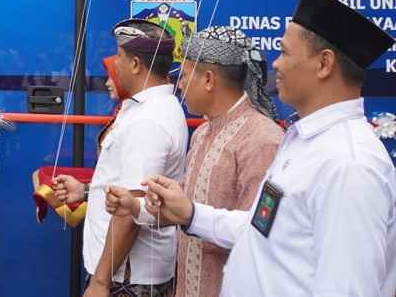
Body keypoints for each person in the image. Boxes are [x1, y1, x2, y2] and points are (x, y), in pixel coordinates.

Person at [143, 0, 396, 297]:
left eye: (285, 53)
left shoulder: (348, 164)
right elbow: (261, 229)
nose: (275, 64)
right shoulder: (302, 142)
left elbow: (347, 289)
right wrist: (192, 214)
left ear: (324, 63)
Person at [105, 26, 284, 297]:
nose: (180, 85)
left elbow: (258, 236)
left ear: (209, 79)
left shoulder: (262, 140)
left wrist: (189, 213)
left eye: (185, 75)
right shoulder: (201, 133)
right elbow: (184, 213)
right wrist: (135, 206)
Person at [54, 19, 187, 297]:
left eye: (120, 58)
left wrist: (101, 282)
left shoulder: (148, 121)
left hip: (125, 276)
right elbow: (123, 183)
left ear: (136, 64)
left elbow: (131, 209)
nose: (116, 65)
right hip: (123, 269)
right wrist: (86, 190)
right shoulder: (146, 107)